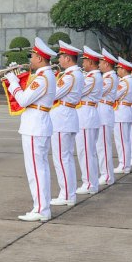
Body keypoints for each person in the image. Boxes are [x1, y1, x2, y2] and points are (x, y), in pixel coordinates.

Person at [4, 37, 57, 222]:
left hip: (35, 126)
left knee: (36, 169)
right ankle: (42, 207)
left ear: (40, 58)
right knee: (38, 168)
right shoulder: (45, 75)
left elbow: (24, 100)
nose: (31, 58)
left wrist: (13, 82)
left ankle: (41, 209)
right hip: (36, 124)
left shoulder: (42, 78)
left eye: (33, 55)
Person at [50, 41, 82, 207]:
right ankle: (69, 193)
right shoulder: (76, 74)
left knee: (62, 159)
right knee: (66, 158)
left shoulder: (69, 76)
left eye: (61, 57)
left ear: (68, 58)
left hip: (63, 118)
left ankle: (67, 194)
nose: (59, 60)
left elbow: (54, 94)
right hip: (67, 117)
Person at [76, 47, 103, 195]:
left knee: (85, 152)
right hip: (88, 113)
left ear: (91, 62)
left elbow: (78, 92)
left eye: (85, 60)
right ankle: (91, 182)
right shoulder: (92, 76)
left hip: (87, 115)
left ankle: (89, 184)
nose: (83, 63)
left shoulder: (92, 78)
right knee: (89, 152)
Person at [97, 50, 119, 187]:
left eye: (100, 62)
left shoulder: (109, 78)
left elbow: (98, 91)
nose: (98, 65)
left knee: (103, 146)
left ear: (106, 63)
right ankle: (105, 173)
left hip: (104, 112)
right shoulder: (107, 77)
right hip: (102, 111)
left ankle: (107, 175)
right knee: (100, 146)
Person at [113, 58, 132, 175]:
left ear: (123, 69)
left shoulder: (124, 82)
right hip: (126, 110)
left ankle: (124, 165)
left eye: (118, 68)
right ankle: (125, 164)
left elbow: (115, 95)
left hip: (122, 112)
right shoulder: (131, 81)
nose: (117, 70)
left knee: (122, 141)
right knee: (125, 140)